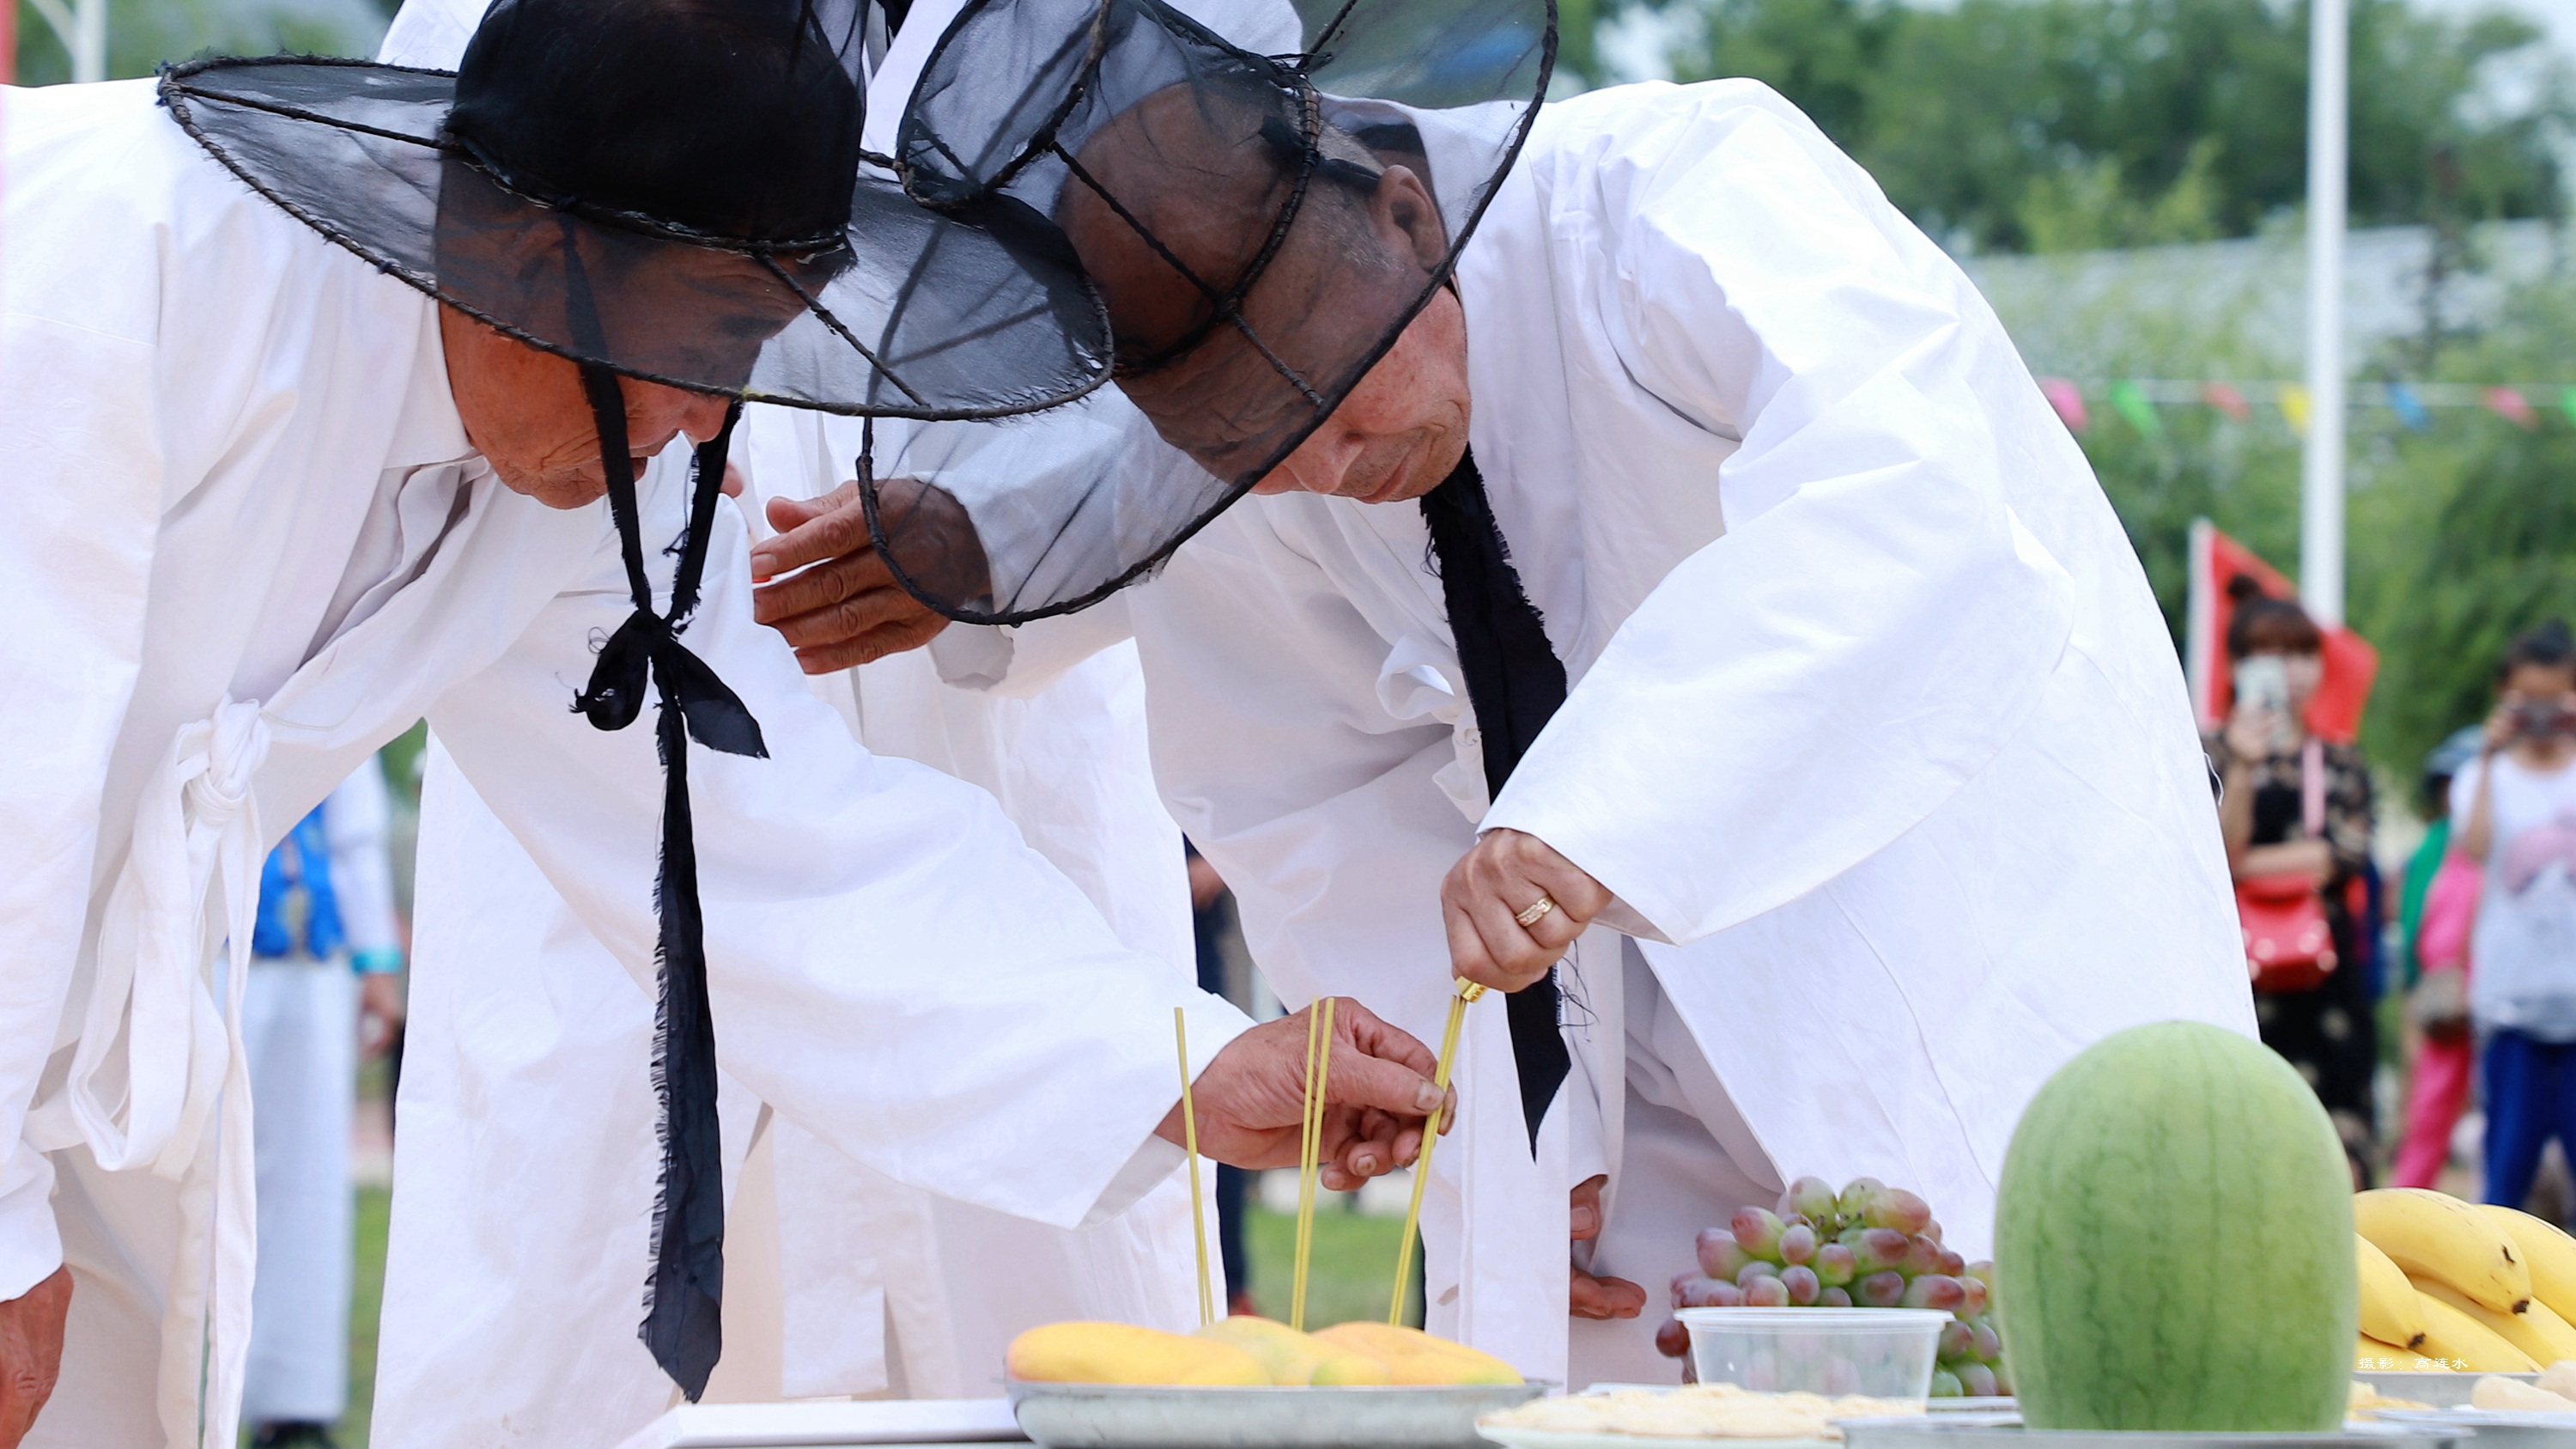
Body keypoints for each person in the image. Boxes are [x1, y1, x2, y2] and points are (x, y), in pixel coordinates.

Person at [0, 3, 1451, 1443]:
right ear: (521, 248)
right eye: (701, 342)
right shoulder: (105, 273)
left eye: (752, 352)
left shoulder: (570, 482)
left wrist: (1171, 1063)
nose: (712, 424)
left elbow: (760, 823)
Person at [750, 0, 2252, 1385]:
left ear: (1404, 207)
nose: (1329, 463)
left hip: (1956, 951)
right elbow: (1315, 792)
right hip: (1627, 1142)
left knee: (2067, 1362)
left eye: (1338, 388)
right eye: (1256, 437)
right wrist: (1517, 1135)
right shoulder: (1220, 484)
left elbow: (1911, 496)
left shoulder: (1684, 187)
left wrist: (1595, 814)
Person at [241, 762, 405, 1449]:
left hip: (315, 951)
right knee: (195, 1184)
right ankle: (187, 1389)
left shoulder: (331, 654)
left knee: (310, 1179)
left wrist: (375, 958)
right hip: (209, 953)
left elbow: (355, 824)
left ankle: (294, 1398)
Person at [2206, 585, 2379, 1184]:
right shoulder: (2205, 753)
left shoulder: (2340, 760)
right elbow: (2214, 856)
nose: (2291, 668)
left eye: (2303, 652)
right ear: (2237, 666)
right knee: (2246, 1149)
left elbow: (2342, 856)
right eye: (2270, 653)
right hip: (2239, 979)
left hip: (2325, 980)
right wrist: (2244, 765)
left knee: (2340, 1152)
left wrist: (2245, 862)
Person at [2453, 621, 2576, 1209]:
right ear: (2506, 694)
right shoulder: (2485, 775)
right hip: (2512, 1004)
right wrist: (2488, 753)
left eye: (2557, 699)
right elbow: (2473, 848)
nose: (2544, 715)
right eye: (2530, 701)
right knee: (2506, 1175)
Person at [2391, 728, 2484, 1190]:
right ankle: (2410, 1202)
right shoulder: (2439, 843)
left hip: (2500, 989)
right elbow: (2416, 924)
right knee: (2431, 1109)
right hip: (2447, 987)